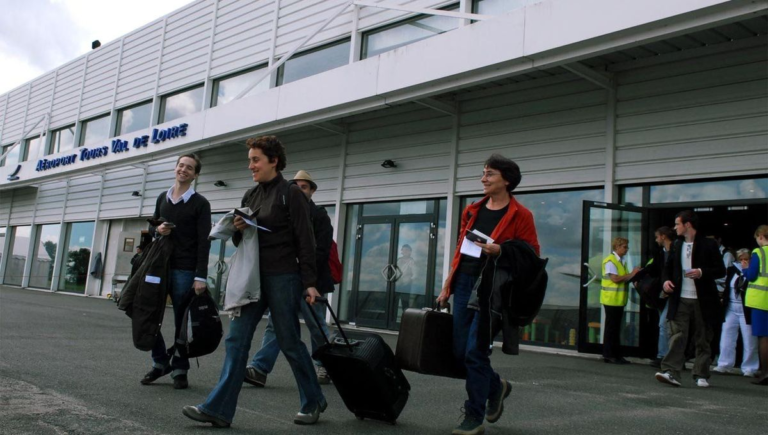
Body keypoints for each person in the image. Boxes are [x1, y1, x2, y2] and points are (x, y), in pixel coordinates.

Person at [182, 136, 326, 428]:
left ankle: (313, 400)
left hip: (284, 276)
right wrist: (237, 229)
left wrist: (310, 282)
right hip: (253, 277)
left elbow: (306, 241)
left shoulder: (292, 193)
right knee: (236, 339)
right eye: (250, 159)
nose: (250, 165)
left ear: (274, 161)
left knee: (288, 341)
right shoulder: (250, 195)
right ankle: (219, 409)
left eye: (256, 159)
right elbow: (243, 239)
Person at [436, 154, 539, 435]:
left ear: (506, 180)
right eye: (483, 173)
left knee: (475, 352)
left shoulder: (521, 215)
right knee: (459, 353)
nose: (483, 178)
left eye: (489, 174)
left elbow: (532, 257)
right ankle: (497, 387)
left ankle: (473, 416)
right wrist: (448, 283)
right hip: (464, 282)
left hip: (492, 289)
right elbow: (460, 250)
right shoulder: (471, 210)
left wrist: (502, 250)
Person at [246, 169, 335, 386]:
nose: (299, 189)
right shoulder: (285, 210)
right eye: (296, 186)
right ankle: (259, 368)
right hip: (285, 279)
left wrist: (305, 273)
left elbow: (321, 251)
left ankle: (327, 366)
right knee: (275, 325)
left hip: (310, 281)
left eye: (304, 186)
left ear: (312, 191)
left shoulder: (320, 215)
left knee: (316, 325)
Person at [140, 153, 211, 390]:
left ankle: (180, 368)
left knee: (182, 320)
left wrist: (200, 275)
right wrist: (158, 229)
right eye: (181, 165)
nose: (183, 170)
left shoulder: (201, 203)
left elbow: (204, 241)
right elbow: (153, 229)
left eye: (189, 168)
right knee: (147, 312)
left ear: (195, 174)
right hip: (159, 266)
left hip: (184, 269)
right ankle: (160, 362)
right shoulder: (162, 197)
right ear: (175, 168)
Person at [655, 210, 725, 388]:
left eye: (677, 223)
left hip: (703, 300)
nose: (675, 227)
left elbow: (720, 270)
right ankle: (670, 372)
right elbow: (667, 268)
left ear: (687, 225)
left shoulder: (708, 244)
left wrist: (702, 272)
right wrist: (665, 282)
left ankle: (701, 374)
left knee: (703, 337)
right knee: (677, 336)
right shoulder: (677, 244)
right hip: (681, 299)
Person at [712, 249, 758, 377]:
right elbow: (727, 286)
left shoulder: (753, 272)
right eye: (740, 259)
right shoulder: (733, 270)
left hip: (746, 308)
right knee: (727, 335)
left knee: (749, 339)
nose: (743, 262)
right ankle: (724, 363)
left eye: (746, 259)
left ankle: (750, 367)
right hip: (731, 307)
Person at [600, 237, 640, 364]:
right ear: (617, 247)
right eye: (624, 247)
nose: (626, 249)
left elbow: (623, 278)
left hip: (618, 300)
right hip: (611, 300)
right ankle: (609, 354)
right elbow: (615, 279)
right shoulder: (610, 261)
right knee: (611, 328)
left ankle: (616, 354)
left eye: (627, 247)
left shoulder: (621, 261)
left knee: (616, 328)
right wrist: (633, 274)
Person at [641, 226, 675, 368]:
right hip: (664, 294)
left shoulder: (675, 251)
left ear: (663, 236)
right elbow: (654, 269)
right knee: (666, 325)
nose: (655, 240)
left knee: (664, 324)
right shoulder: (661, 253)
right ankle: (666, 356)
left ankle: (664, 356)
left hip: (674, 293)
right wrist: (638, 276)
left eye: (657, 237)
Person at [743, 224, 768, 386]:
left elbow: (752, 275)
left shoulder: (758, 252)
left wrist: (745, 269)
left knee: (763, 337)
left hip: (760, 299)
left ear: (760, 237)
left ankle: (764, 372)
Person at [396, 244, 416, 312]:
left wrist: (409, 280)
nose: (405, 251)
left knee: (405, 303)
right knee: (394, 302)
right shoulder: (398, 260)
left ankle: (405, 319)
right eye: (403, 250)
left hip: (406, 285)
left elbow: (415, 274)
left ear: (410, 252)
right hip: (396, 284)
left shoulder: (412, 261)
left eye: (407, 250)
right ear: (401, 251)